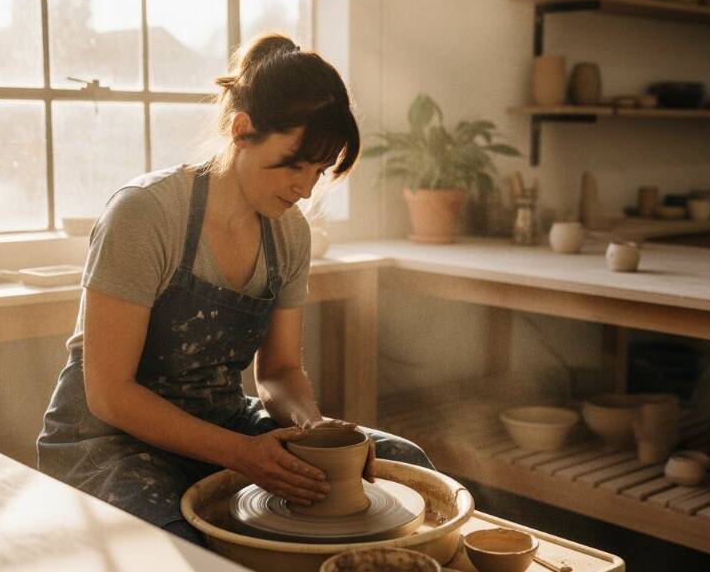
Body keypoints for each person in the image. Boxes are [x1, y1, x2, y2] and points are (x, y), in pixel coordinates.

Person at [37, 33, 433, 546]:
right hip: (107, 439)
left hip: (218, 419)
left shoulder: (290, 231)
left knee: (404, 463)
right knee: (187, 548)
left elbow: (281, 371)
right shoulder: (146, 213)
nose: (305, 188)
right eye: (294, 163)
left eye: (319, 170)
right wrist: (241, 453)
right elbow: (110, 395)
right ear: (242, 131)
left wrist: (312, 430)